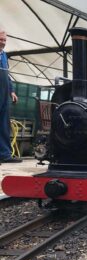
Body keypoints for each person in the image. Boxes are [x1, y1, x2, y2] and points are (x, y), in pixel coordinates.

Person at [0, 29, 22, 163]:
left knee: (4, 124)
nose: (3, 42)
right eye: (0, 39)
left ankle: (5, 154)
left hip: (4, 94)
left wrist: (12, 91)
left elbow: (7, 75)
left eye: (4, 40)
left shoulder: (4, 55)